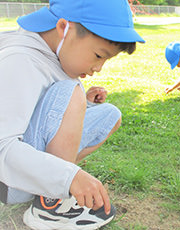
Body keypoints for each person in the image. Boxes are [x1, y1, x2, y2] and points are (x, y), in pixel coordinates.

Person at [0, 0, 145, 229]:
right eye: (99, 55)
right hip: (8, 179)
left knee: (110, 115)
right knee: (72, 91)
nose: (99, 68)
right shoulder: (21, 58)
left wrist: (79, 105)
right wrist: (69, 177)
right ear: (63, 28)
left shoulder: (50, 54)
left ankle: (47, 187)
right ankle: (50, 207)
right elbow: (2, 146)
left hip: (25, 171)